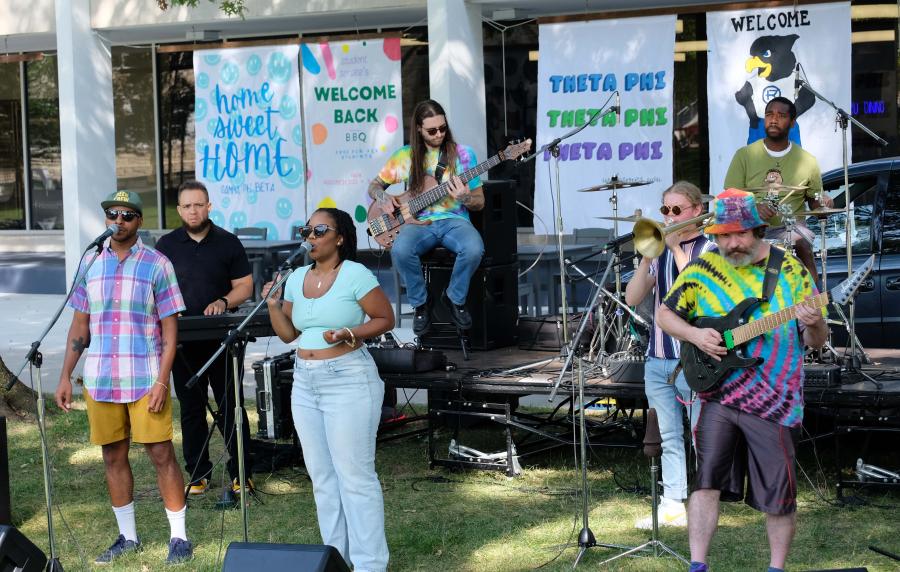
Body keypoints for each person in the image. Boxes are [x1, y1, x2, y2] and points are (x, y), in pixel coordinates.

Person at [656, 188, 828, 572]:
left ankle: (776, 568)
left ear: (758, 230)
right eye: (723, 235)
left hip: (775, 400)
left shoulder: (790, 270)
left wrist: (815, 325)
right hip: (717, 394)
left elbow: (817, 341)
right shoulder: (702, 269)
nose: (732, 243)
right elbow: (665, 316)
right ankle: (697, 565)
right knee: (704, 482)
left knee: (778, 494)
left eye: (740, 234)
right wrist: (697, 335)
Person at [55, 190, 193, 565]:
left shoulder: (157, 263)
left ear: (139, 222)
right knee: (112, 456)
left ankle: (179, 537)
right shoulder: (90, 261)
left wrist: (163, 381)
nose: (119, 220)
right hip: (101, 377)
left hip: (145, 377)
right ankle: (127, 537)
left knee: (161, 453)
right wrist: (66, 374)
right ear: (106, 219)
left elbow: (170, 331)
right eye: (112, 214)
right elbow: (79, 324)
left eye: (128, 215)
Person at [262, 208, 395, 572]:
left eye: (320, 229)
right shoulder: (296, 278)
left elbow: (386, 319)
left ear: (339, 237)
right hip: (305, 380)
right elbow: (289, 334)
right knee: (321, 477)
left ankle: (370, 566)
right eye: (307, 230)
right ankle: (336, 560)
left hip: (348, 378)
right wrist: (274, 305)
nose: (311, 236)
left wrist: (350, 332)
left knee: (355, 476)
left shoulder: (355, 273)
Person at [155, 180, 255, 499]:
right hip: (181, 341)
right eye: (186, 205)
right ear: (179, 210)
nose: (193, 210)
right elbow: (154, 290)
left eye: (199, 204)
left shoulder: (228, 242)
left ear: (209, 206)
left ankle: (241, 474)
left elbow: (245, 286)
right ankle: (198, 475)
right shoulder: (166, 246)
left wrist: (224, 301)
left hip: (221, 339)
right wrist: (169, 311)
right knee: (191, 408)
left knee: (230, 405)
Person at [624, 181, 715, 529]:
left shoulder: (709, 250)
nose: (669, 216)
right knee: (669, 437)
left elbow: (693, 296)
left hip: (692, 360)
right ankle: (674, 501)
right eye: (665, 210)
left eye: (676, 210)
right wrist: (648, 253)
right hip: (658, 358)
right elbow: (633, 297)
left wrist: (675, 250)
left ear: (696, 211)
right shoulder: (660, 253)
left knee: (699, 435)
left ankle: (705, 499)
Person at [367, 99, 485, 336]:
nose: (439, 134)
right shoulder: (404, 155)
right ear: (419, 129)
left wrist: (464, 198)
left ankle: (454, 297)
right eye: (432, 130)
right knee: (400, 250)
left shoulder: (463, 154)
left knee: (474, 249)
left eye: (443, 128)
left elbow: (479, 202)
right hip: (416, 222)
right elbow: (374, 186)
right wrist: (382, 198)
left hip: (454, 220)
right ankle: (421, 304)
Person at [724, 96, 834, 285]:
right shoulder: (745, 155)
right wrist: (753, 207)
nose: (773, 119)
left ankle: (815, 305)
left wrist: (824, 202)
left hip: (792, 228)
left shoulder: (807, 161)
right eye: (769, 115)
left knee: (801, 242)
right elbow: (728, 199)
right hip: (752, 228)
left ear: (792, 123)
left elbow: (815, 204)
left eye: (781, 115)